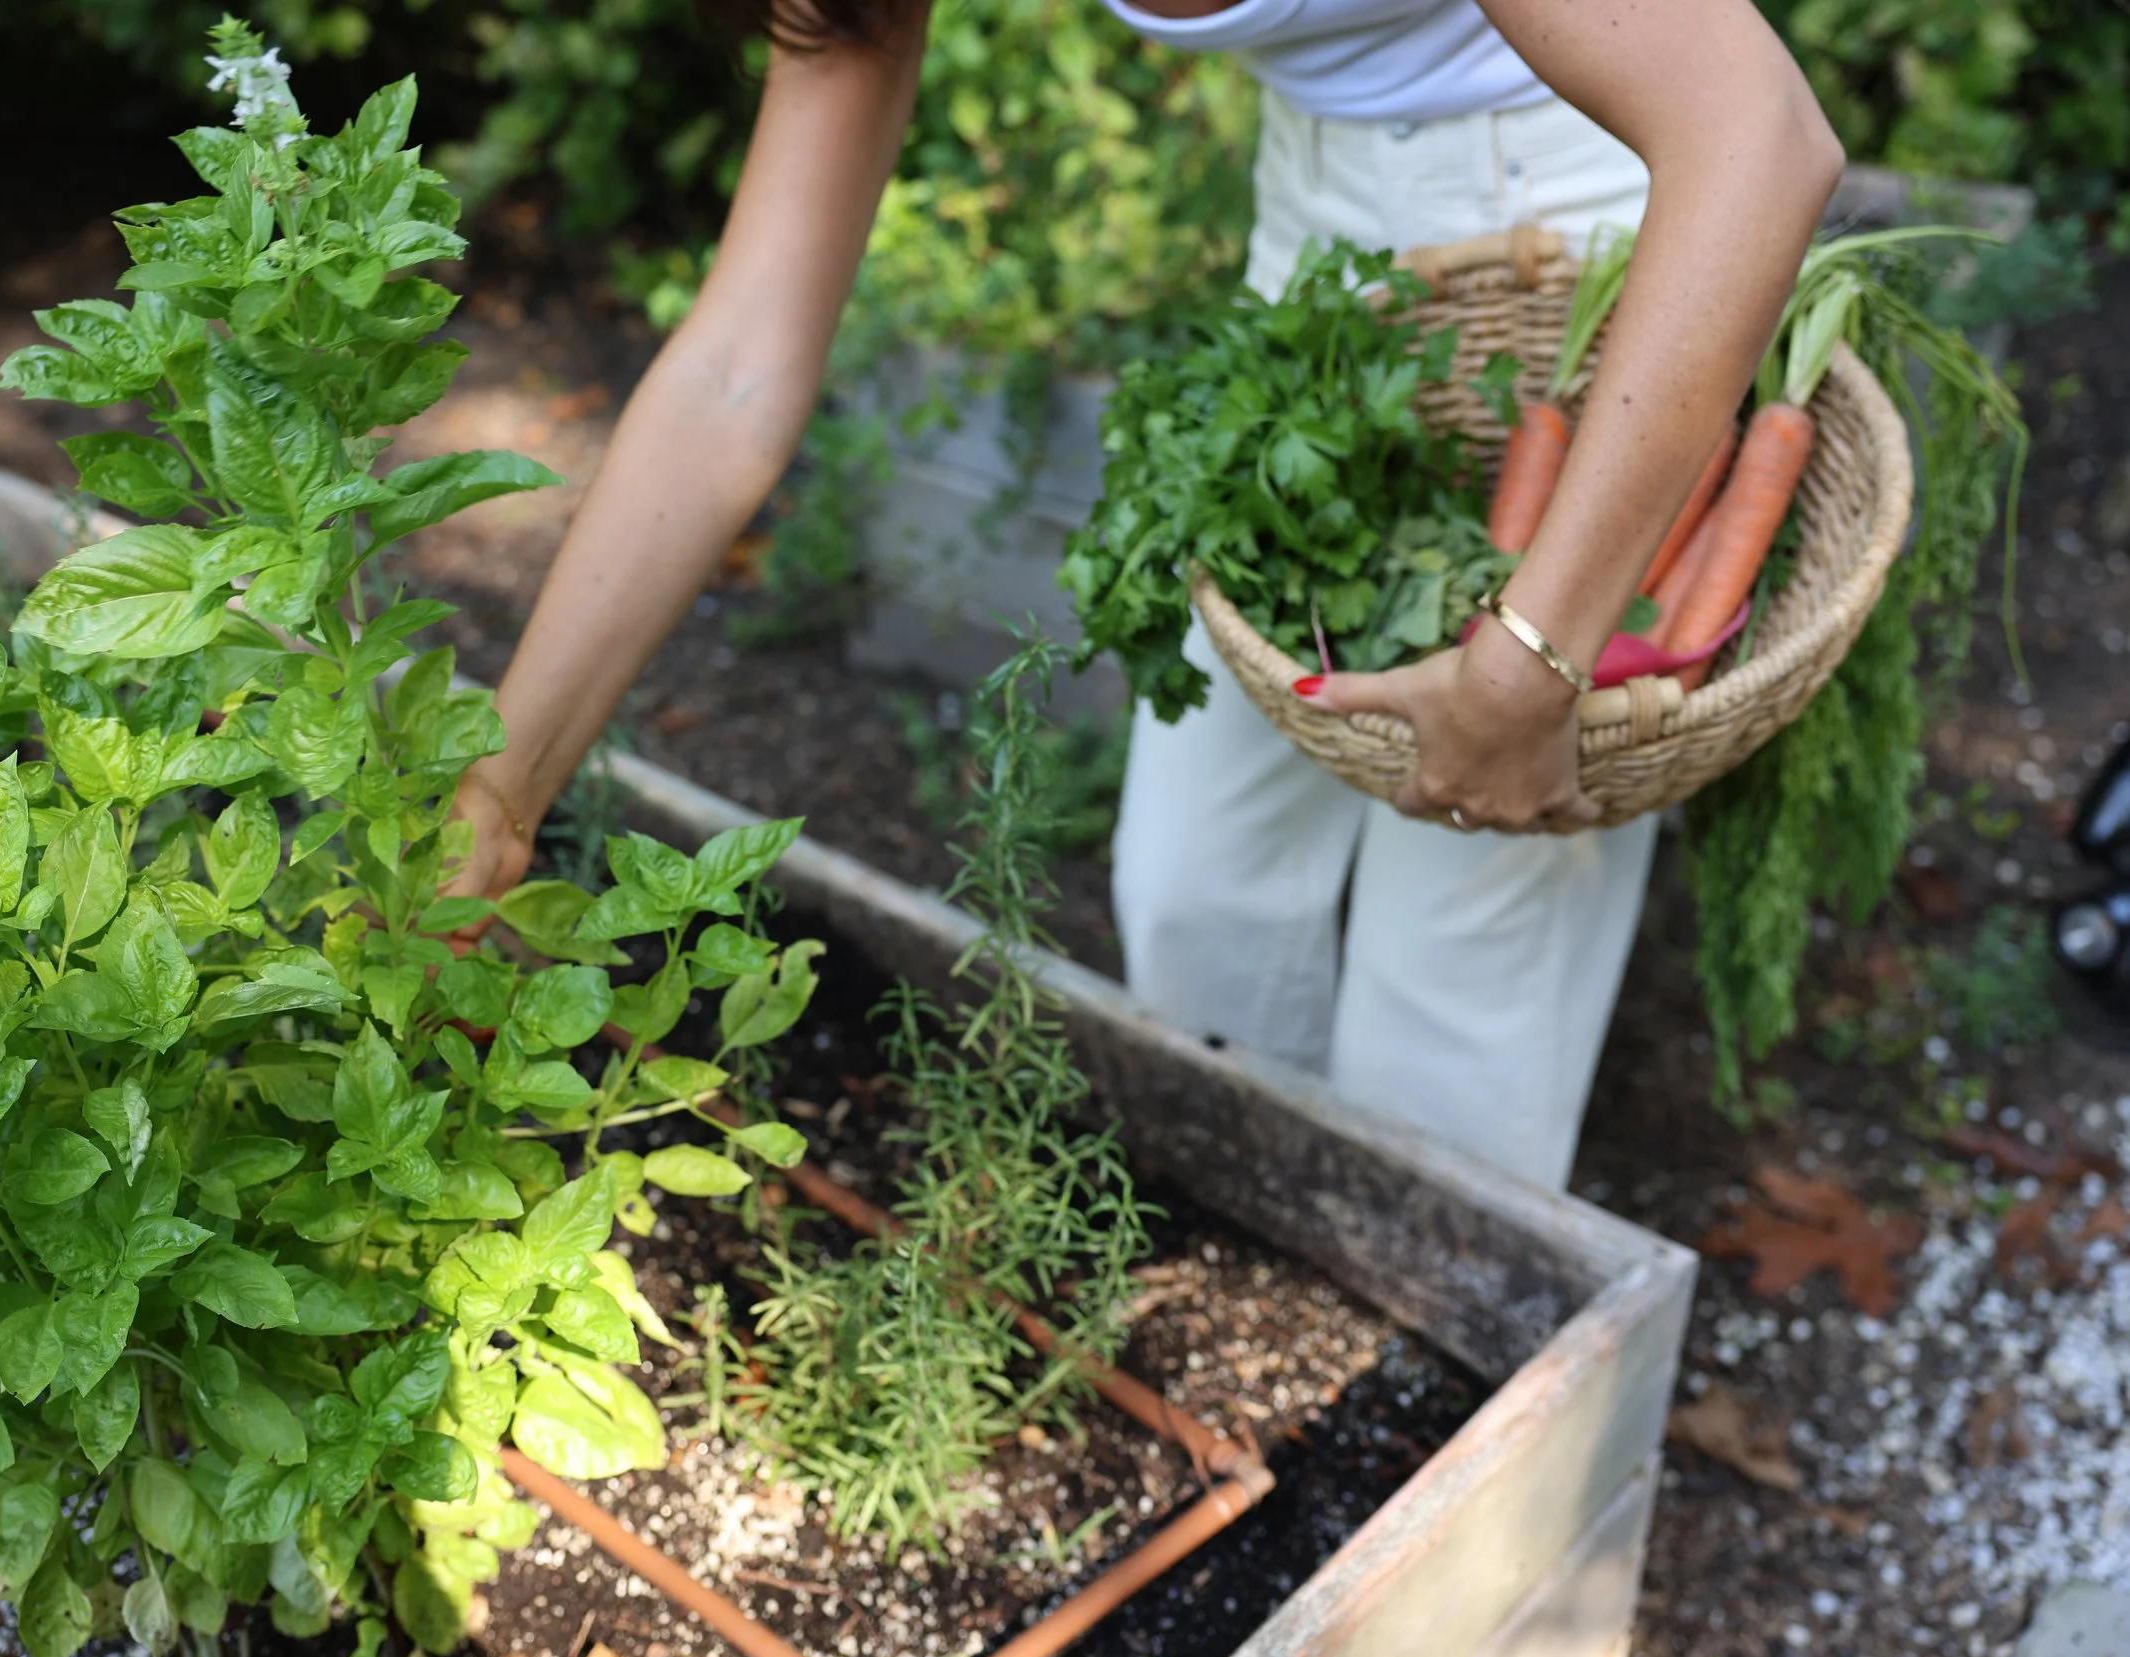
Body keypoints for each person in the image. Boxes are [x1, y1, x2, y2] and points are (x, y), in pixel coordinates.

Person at [444, 0, 1844, 1191]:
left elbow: (1758, 143)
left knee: (1457, 970)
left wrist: (1533, 656)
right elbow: (741, 362)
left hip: (1626, 249)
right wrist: (497, 800)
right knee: (1193, 895)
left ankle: (1462, 1438)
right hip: (1325, 249)